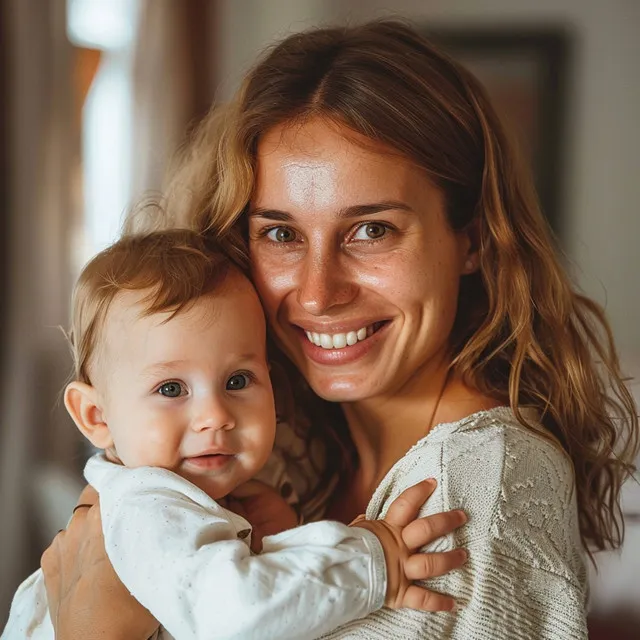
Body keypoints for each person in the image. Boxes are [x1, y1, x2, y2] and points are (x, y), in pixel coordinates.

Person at [40, 19, 639, 640]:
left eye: (371, 229)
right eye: (281, 233)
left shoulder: (482, 487)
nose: (319, 294)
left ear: (473, 238)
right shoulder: (278, 450)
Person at [3, 230, 469, 640]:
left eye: (237, 381)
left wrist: (279, 545)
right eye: (171, 389)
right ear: (96, 416)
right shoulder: (149, 508)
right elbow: (232, 619)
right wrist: (372, 558)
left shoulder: (200, 501)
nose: (215, 416)